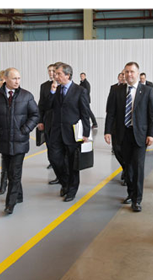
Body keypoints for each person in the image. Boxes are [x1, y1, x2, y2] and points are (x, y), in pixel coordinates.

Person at [0, 68, 39, 214]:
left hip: (20, 140)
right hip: (4, 140)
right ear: (5, 79)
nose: (17, 81)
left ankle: (10, 203)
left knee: (14, 173)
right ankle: (19, 195)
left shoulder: (27, 96)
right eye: (14, 78)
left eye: (19, 78)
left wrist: (25, 129)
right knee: (9, 169)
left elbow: (35, 115)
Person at [104, 62, 153, 212]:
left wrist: (151, 134)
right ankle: (130, 193)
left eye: (132, 72)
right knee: (128, 167)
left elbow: (152, 115)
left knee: (138, 168)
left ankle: (137, 199)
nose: (129, 75)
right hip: (122, 134)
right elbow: (111, 113)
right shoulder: (116, 90)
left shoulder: (147, 91)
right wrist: (107, 131)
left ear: (138, 73)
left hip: (140, 135)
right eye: (126, 72)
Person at [46, 63, 91, 202]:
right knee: (54, 158)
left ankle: (71, 190)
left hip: (72, 133)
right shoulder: (56, 89)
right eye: (55, 73)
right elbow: (48, 106)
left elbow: (85, 113)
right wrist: (52, 92)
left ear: (67, 75)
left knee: (73, 163)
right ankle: (65, 183)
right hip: (56, 132)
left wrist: (86, 134)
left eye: (58, 73)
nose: (55, 76)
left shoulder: (79, 90)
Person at [38, 64, 57, 177]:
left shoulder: (62, 86)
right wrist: (40, 121)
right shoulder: (44, 86)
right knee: (49, 145)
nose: (51, 73)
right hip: (48, 121)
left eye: (53, 71)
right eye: (49, 71)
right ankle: (52, 162)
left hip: (60, 122)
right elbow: (41, 105)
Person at [0, 70, 9, 195]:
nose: (3, 82)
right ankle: (3, 182)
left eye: (4, 79)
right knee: (4, 157)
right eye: (0, 80)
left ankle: (11, 183)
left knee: (12, 159)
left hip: (14, 132)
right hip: (0, 131)